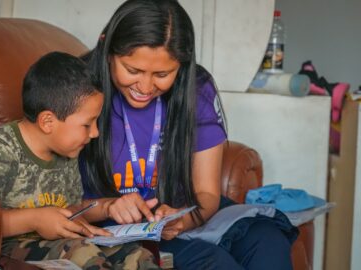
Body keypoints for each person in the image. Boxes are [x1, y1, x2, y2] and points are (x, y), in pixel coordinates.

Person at [78, 0, 298, 269]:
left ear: (181, 66)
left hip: (179, 215)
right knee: (215, 263)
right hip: (114, 228)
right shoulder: (77, 87)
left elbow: (206, 193)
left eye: (162, 74)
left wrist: (183, 220)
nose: (145, 86)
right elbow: (52, 201)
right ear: (106, 48)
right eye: (132, 70)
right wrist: (109, 205)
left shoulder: (196, 88)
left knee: (268, 240)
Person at [0, 51, 161, 270]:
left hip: (67, 241)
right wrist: (35, 219)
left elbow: (72, 208)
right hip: (11, 246)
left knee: (137, 254)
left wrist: (108, 207)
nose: (95, 133)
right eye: (87, 124)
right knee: (85, 254)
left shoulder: (66, 150)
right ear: (48, 122)